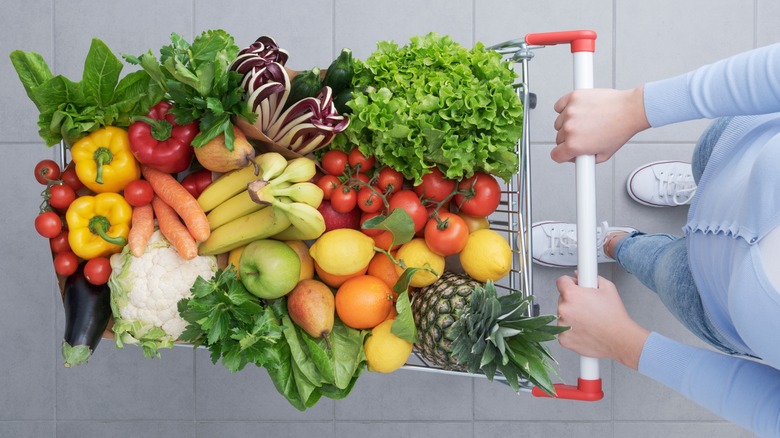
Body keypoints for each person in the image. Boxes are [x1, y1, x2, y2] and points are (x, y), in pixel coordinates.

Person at [531, 41, 780, 437]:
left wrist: (623, 342)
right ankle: (701, 189)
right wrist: (634, 108)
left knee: (660, 264)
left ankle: (614, 242)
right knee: (708, 158)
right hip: (741, 148)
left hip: (714, 300)